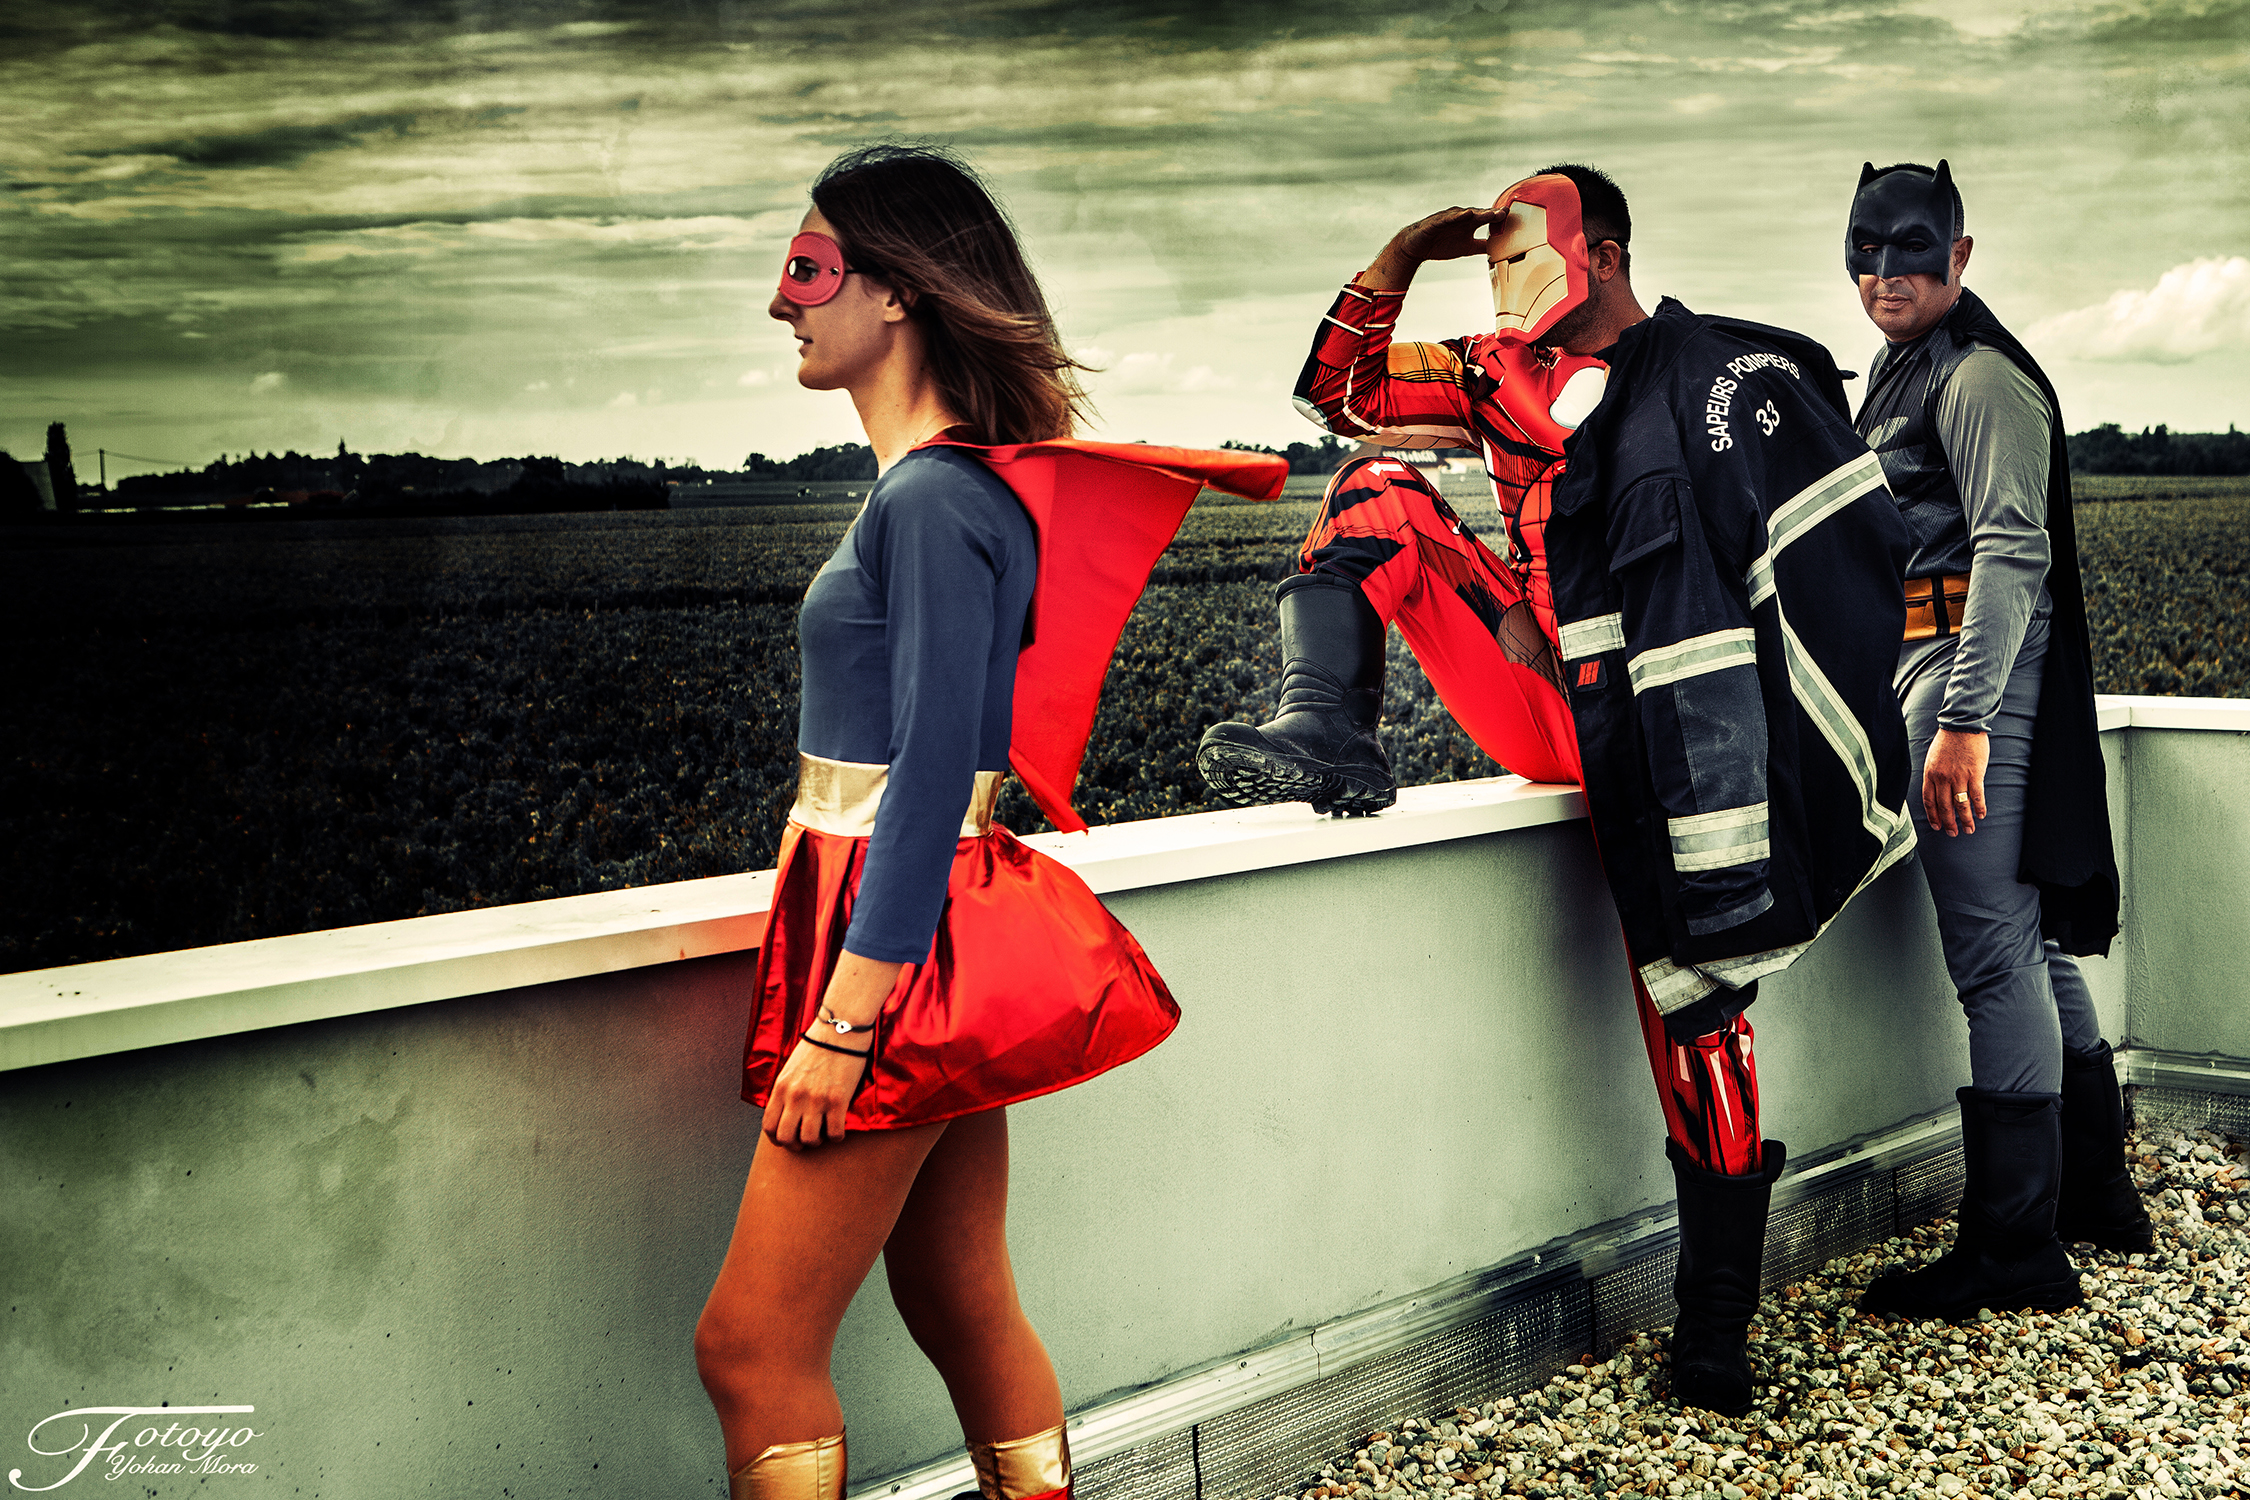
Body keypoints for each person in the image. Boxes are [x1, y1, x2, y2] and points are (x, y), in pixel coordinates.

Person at [1197, 165, 1913, 1415]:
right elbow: (1339, 397)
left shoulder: (1704, 384)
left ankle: (1714, 1328)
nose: (1501, 281)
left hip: (1678, 723)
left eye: (1520, 255)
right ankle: (1328, 722)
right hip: (1549, 694)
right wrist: (1398, 258)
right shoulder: (1490, 373)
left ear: (1606, 254)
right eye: (1490, 264)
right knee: (1373, 491)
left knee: (1700, 1009)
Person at [695, 144, 1284, 1500]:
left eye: (807, 270)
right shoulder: (945, 489)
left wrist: (846, 1023)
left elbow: (929, 771)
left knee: (748, 1348)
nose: (781, 302)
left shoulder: (934, 497)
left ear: (897, 290)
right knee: (959, 1299)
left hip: (895, 944)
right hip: (912, 927)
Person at [1843, 161, 2137, 1323]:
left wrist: (1964, 719)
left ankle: (2016, 1247)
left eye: (1911, 251)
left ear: (1960, 255)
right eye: (1865, 252)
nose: (1885, 275)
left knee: (1992, 958)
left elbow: (2013, 550)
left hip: (1973, 678)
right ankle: (2096, 1194)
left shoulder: (1977, 376)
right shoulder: (1902, 368)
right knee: (2029, 938)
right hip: (1941, 667)